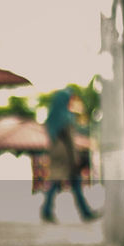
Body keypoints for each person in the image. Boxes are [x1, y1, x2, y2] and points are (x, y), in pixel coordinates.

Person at [40, 89, 98, 223]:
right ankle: (85, 212)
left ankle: (48, 210)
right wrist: (75, 157)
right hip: (66, 155)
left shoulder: (51, 118)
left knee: (60, 181)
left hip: (55, 153)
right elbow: (71, 141)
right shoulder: (66, 117)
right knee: (71, 181)